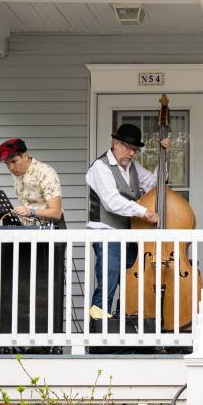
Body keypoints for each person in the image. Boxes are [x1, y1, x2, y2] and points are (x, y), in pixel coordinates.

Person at [85, 123, 169, 320]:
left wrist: (164, 157)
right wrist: (145, 212)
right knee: (109, 278)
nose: (132, 153)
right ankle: (99, 329)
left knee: (133, 281)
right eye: (128, 147)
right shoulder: (101, 166)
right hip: (106, 233)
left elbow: (153, 185)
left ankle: (125, 322)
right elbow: (112, 202)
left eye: (135, 149)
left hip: (128, 234)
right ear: (115, 143)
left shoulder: (132, 166)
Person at [0, 138, 63, 226]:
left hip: (50, 231)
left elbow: (56, 213)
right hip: (28, 231)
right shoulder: (17, 172)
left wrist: (30, 212)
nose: (11, 167)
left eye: (14, 161)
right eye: (7, 163)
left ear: (25, 156)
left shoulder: (45, 173)